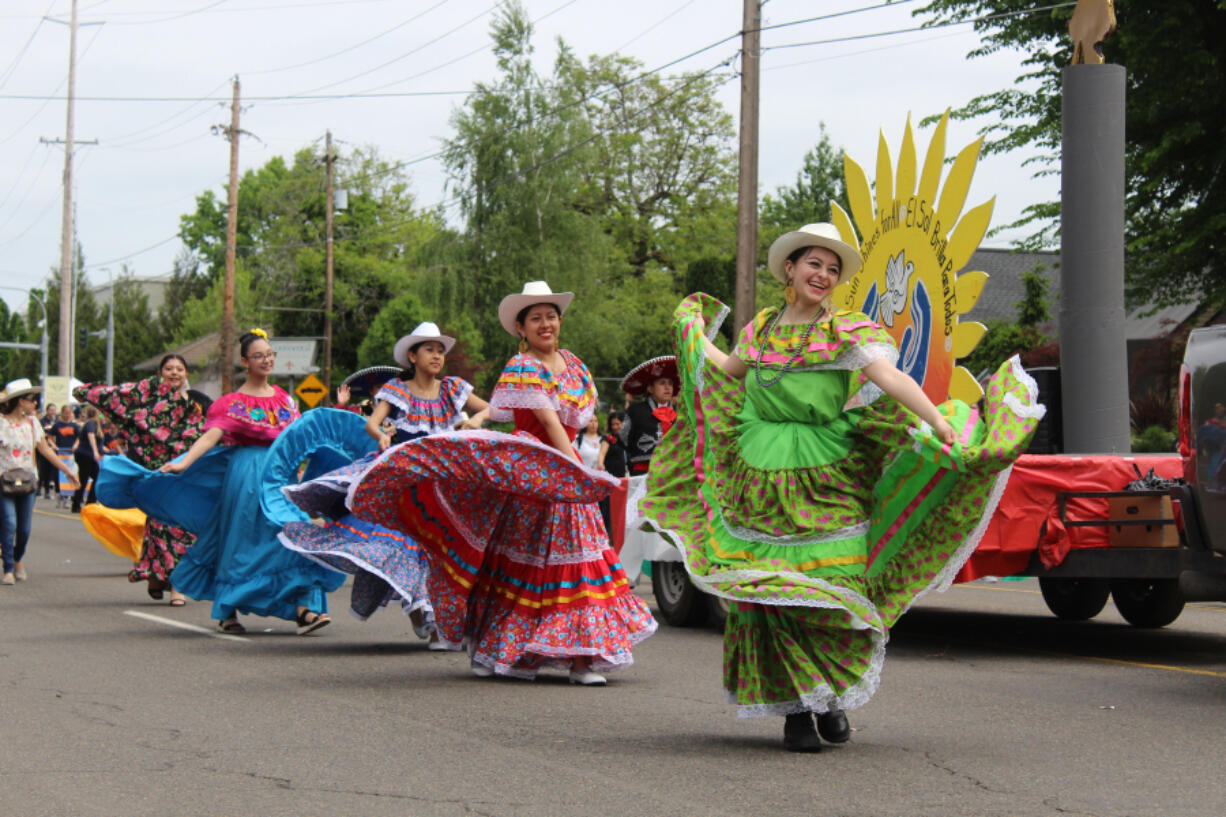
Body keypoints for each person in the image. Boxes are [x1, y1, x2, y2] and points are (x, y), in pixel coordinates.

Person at [640, 222, 1045, 751]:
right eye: (814, 264)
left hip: (826, 472)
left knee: (834, 590)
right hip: (756, 476)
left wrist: (938, 421)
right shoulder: (761, 327)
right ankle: (795, 714)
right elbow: (730, 369)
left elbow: (892, 379)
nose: (823, 275)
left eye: (832, 269)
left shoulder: (848, 329)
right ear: (790, 268)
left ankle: (828, 696)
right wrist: (694, 334)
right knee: (770, 595)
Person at [349, 281, 657, 684]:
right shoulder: (522, 366)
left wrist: (578, 470)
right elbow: (544, 419)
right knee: (521, 566)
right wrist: (574, 468)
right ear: (521, 329)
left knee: (581, 560)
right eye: (535, 319)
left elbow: (560, 417)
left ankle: (582, 658)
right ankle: (495, 645)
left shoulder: (576, 366)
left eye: (551, 316)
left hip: (567, 475)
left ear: (560, 322)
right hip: (532, 471)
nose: (545, 324)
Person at [98, 330, 344, 634]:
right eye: (259, 356)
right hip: (247, 475)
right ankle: (228, 610)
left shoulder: (285, 400)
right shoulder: (232, 403)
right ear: (245, 362)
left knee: (295, 532)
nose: (266, 360)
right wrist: (183, 462)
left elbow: (301, 439)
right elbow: (210, 437)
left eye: (270, 354)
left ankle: (306, 608)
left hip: (280, 475)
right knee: (238, 542)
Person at [276, 321, 490, 634]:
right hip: (405, 481)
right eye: (429, 349)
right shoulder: (397, 391)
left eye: (440, 350)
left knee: (445, 547)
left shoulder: (452, 389)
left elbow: (492, 409)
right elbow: (373, 424)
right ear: (412, 357)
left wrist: (476, 421)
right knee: (407, 545)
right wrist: (382, 437)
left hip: (443, 481)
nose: (436, 355)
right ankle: (421, 612)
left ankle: (435, 614)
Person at [74, 354, 207, 606]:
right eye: (169, 368)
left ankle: (170, 583)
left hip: (187, 475)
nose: (175, 373)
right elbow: (118, 395)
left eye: (180, 369)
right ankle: (165, 581)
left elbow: (219, 426)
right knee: (160, 527)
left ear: (187, 374)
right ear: (160, 372)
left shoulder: (198, 402)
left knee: (183, 530)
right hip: (156, 476)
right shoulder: (146, 396)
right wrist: (86, 392)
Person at [0, 380, 81, 584]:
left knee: (24, 529)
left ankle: (18, 558)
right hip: (4, 480)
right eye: (31, 399)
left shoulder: (32, 423)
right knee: (9, 523)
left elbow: (45, 450)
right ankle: (8, 568)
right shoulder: (1, 423)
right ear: (19, 401)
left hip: (28, 481)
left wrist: (68, 471)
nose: (35, 403)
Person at [620, 356, 679, 476]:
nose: (667, 387)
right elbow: (623, 439)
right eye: (662, 383)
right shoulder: (635, 411)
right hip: (643, 470)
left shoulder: (681, 413)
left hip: (675, 470)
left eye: (670, 383)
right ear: (650, 388)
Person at [596, 411, 627, 536]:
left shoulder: (627, 439)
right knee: (608, 508)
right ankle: (606, 535)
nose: (615, 427)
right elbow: (601, 454)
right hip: (610, 478)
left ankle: (618, 534)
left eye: (618, 424)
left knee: (620, 508)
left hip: (622, 479)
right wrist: (600, 464)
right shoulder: (608, 439)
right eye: (613, 424)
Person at [71, 406, 103, 512]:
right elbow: (91, 436)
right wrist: (95, 451)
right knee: (85, 479)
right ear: (96, 414)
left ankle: (88, 501)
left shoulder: (90, 424)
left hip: (85, 454)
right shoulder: (91, 424)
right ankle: (79, 503)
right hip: (86, 454)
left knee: (95, 477)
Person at [37, 403, 58, 498]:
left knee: (50, 470)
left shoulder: (57, 421)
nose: (53, 412)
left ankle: (47, 491)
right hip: (43, 447)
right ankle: (38, 488)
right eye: (51, 410)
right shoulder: (42, 421)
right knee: (42, 470)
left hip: (53, 448)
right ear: (47, 411)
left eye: (54, 410)